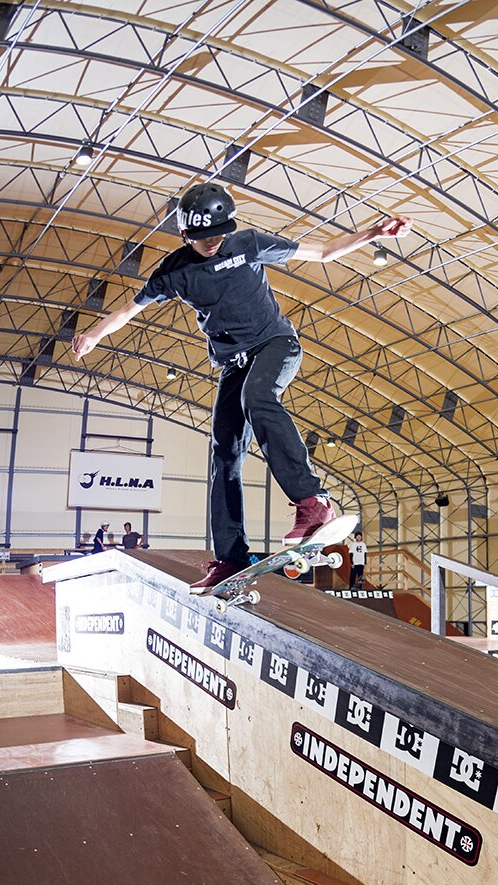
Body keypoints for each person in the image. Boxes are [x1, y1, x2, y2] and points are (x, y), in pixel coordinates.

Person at [72, 183, 410, 593]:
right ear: (185, 235)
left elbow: (322, 252)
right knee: (225, 453)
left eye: (219, 235)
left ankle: (313, 502)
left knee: (258, 397)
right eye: (204, 239)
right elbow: (129, 309)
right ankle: (231, 557)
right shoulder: (173, 272)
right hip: (233, 363)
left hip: (276, 344)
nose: (213, 243)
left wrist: (372, 233)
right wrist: (94, 333)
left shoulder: (247, 244)